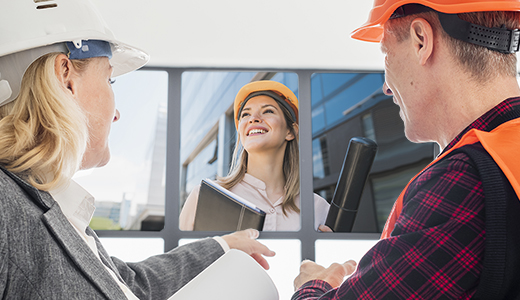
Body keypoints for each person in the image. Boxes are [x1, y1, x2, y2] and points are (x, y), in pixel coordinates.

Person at [0, 1, 274, 299]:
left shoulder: (56, 208)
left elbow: (129, 283)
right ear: (66, 77)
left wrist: (223, 246)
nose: (117, 114)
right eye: (109, 79)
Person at [293, 0, 520, 299]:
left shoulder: (466, 182)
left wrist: (314, 284)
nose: (386, 88)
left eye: (386, 54)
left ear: (421, 40)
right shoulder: (503, 158)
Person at [179, 80, 331, 231]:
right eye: (246, 114)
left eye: (268, 111)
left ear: (290, 131)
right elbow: (175, 255)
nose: (253, 118)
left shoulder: (319, 209)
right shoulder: (204, 197)